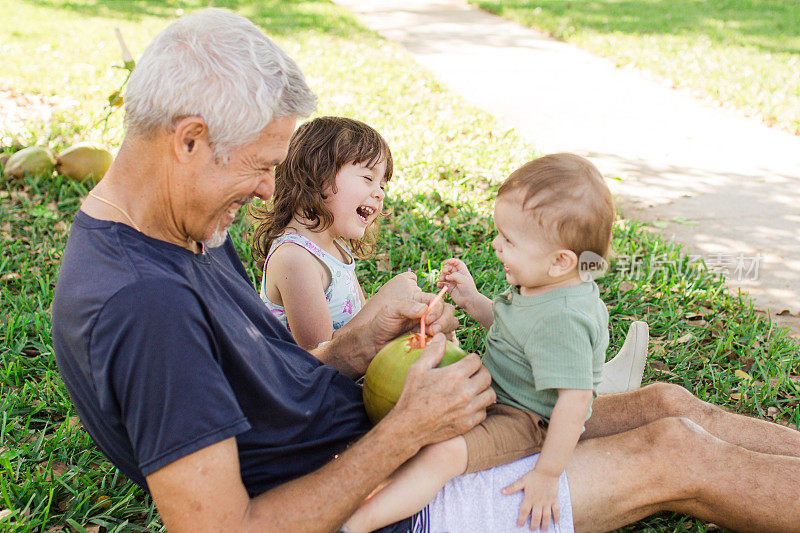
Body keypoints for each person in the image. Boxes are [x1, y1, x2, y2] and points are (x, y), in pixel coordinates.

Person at [50, 8, 800, 533]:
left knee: (667, 400)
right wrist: (407, 428)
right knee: (674, 452)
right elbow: (224, 526)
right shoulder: (140, 303)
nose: (266, 191)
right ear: (188, 141)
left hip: (394, 443)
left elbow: (257, 390)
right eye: (262, 167)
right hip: (402, 502)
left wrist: (353, 345)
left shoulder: (180, 226)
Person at [345, 153, 634, 532]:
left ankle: (358, 522)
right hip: (500, 390)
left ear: (561, 260)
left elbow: (574, 402)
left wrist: (547, 474)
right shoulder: (545, 285)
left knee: (441, 455)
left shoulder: (563, 318)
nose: (496, 245)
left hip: (524, 417)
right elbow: (513, 329)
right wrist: (471, 299)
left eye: (509, 240)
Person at [251, 116, 409, 350]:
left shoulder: (336, 246)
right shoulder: (294, 259)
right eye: (368, 178)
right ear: (317, 174)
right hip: (305, 382)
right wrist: (383, 303)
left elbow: (359, 321)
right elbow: (322, 354)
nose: (380, 194)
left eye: (382, 185)